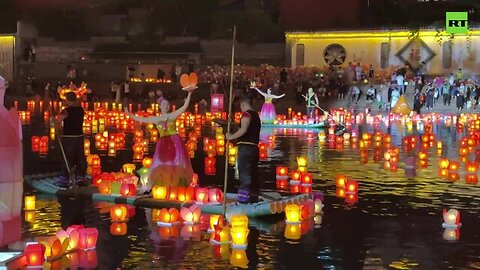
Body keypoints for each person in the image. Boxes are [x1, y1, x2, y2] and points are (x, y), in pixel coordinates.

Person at [124, 87, 196, 190]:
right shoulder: (156, 119)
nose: (166, 106)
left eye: (167, 105)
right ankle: (163, 185)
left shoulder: (173, 115)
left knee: (175, 164)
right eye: (164, 105)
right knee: (162, 164)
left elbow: (184, 107)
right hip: (163, 144)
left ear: (169, 106)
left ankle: (176, 186)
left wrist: (189, 94)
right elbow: (141, 119)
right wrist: (129, 114)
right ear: (160, 106)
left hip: (175, 142)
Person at [226, 97, 261, 204]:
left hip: (246, 147)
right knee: (253, 173)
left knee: (244, 173)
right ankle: (253, 196)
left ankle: (243, 199)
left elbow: (243, 130)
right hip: (254, 147)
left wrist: (230, 137)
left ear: (243, 105)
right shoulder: (257, 116)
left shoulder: (247, 115)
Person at [55, 92, 86, 187]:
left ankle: (64, 179)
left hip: (69, 137)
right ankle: (80, 176)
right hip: (80, 136)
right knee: (79, 157)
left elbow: (58, 121)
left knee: (67, 158)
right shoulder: (81, 109)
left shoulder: (66, 111)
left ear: (67, 100)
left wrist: (53, 121)